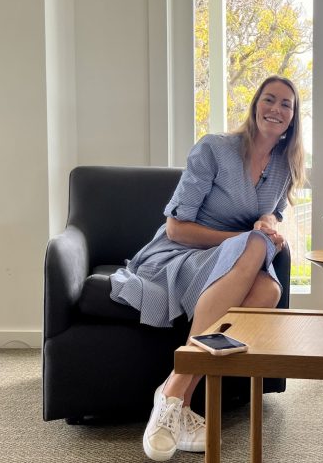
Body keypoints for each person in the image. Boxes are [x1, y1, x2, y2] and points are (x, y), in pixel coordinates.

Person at [109, 75, 305, 461]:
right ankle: (175, 396)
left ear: (293, 118)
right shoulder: (215, 149)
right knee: (253, 244)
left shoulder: (284, 165)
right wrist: (244, 238)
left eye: (286, 104)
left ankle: (174, 391)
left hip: (235, 258)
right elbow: (176, 227)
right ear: (255, 106)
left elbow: (272, 211)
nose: (276, 109)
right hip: (181, 251)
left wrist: (267, 222)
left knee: (270, 291)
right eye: (269, 99)